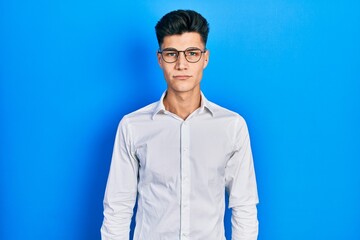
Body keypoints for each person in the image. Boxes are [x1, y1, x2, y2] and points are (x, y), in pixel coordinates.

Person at [101, 9, 259, 240]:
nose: (182, 64)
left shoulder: (232, 126)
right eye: (172, 54)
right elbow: (117, 207)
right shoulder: (132, 126)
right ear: (159, 59)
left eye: (192, 53)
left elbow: (244, 206)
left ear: (205, 58)